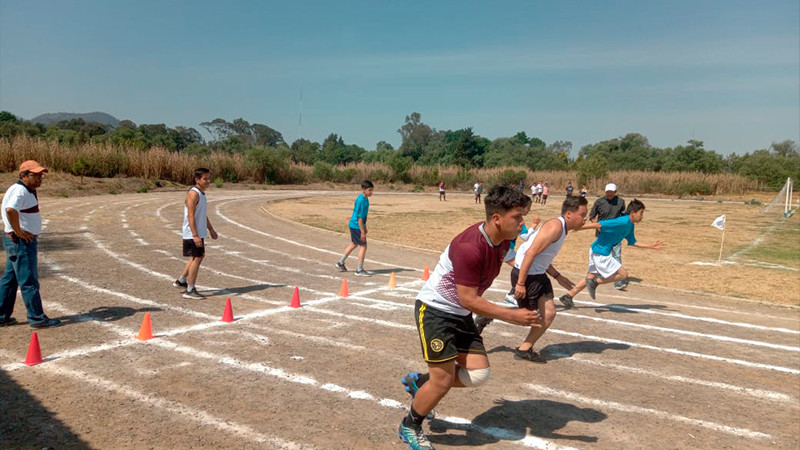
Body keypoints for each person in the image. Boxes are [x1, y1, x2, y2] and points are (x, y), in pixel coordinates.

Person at [397, 186, 540, 450]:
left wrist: (539, 279)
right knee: (443, 380)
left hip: (459, 313)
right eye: (517, 217)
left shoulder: (504, 240)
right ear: (497, 218)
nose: (522, 223)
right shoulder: (469, 247)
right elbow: (468, 299)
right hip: (436, 311)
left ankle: (419, 382)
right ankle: (410, 425)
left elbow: (513, 261)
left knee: (479, 374)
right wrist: (511, 315)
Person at [476, 196, 589, 364]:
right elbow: (530, 253)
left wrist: (558, 276)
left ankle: (525, 349)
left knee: (549, 313)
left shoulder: (561, 227)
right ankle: (486, 315)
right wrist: (520, 283)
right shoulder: (555, 227)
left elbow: (540, 256)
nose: (585, 218)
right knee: (527, 317)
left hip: (538, 274)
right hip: (527, 275)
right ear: (569, 214)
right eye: (583, 214)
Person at [559, 199, 664, 307]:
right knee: (623, 275)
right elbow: (599, 225)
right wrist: (578, 227)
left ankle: (568, 296)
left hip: (596, 250)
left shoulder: (630, 225)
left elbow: (633, 242)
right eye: (641, 213)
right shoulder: (622, 221)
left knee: (590, 276)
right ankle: (595, 282)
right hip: (601, 252)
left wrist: (650, 246)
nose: (642, 216)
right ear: (632, 213)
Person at [0, 160, 61, 328]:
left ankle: (2, 315)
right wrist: (19, 232)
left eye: (41, 175)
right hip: (21, 242)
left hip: (16, 241)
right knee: (29, 281)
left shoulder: (23, 189)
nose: (39, 179)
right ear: (23, 176)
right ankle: (37, 318)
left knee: (10, 279)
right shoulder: (20, 191)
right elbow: (10, 210)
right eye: (35, 175)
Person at [174, 168, 218, 299]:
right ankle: (190, 289)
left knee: (196, 257)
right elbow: (191, 216)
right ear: (197, 179)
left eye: (209, 178)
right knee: (197, 257)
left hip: (198, 231)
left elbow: (202, 215)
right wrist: (195, 235)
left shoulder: (201, 193)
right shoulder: (194, 193)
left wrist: (211, 229)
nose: (208, 181)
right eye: (205, 179)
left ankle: (182, 280)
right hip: (192, 232)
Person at [589, 183, 627, 292]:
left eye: (612, 192)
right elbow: (591, 216)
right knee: (601, 257)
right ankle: (598, 276)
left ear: (615, 192)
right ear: (605, 192)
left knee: (616, 255)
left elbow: (623, 216)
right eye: (608, 192)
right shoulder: (599, 202)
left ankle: (618, 282)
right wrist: (597, 225)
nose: (609, 194)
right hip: (602, 235)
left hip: (615, 235)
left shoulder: (621, 202)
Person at [336, 180, 374, 276]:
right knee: (363, 246)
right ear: (364, 189)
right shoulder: (361, 200)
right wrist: (362, 232)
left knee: (354, 244)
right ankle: (359, 270)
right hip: (356, 225)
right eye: (369, 190)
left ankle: (340, 263)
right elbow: (359, 218)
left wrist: (365, 227)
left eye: (372, 190)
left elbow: (364, 217)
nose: (371, 192)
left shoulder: (365, 199)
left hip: (357, 225)